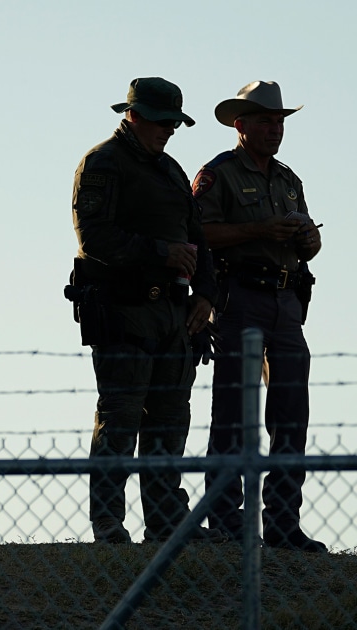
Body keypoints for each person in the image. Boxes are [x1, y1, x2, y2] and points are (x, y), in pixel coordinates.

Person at [67, 77, 225, 544]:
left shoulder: (173, 172)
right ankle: (109, 523)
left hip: (174, 316)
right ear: (132, 115)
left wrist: (206, 296)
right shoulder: (102, 163)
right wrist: (161, 252)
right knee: (120, 418)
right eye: (160, 121)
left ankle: (164, 520)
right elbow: (93, 238)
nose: (168, 130)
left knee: (170, 421)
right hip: (123, 310)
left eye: (174, 123)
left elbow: (198, 240)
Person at [193, 81, 325, 552]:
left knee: (291, 416)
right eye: (266, 121)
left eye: (280, 121)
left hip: (287, 304)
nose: (275, 129)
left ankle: (284, 524)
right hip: (238, 300)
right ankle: (226, 522)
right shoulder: (217, 175)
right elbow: (198, 235)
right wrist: (259, 229)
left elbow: (308, 238)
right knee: (233, 417)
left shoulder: (289, 179)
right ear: (239, 124)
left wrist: (309, 241)